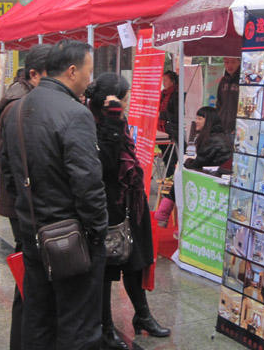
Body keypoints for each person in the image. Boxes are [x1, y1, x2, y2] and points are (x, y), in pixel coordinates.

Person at [0, 40, 108, 350]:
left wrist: (27, 212)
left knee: (38, 318)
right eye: (89, 70)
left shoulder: (17, 108)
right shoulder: (75, 113)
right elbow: (88, 182)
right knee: (79, 325)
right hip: (70, 237)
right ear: (72, 71)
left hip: (33, 230)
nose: (90, 78)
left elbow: (9, 174)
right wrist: (97, 231)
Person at [85, 73, 171, 350]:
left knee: (135, 260)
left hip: (131, 203)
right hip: (108, 206)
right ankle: (106, 327)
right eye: (125, 96)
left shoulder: (117, 122)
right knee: (107, 268)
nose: (128, 100)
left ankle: (142, 315)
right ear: (111, 101)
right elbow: (106, 164)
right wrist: (113, 121)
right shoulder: (90, 123)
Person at [0, 45, 49, 350]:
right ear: (34, 74)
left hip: (20, 204)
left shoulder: (20, 99)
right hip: (24, 207)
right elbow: (14, 165)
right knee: (29, 280)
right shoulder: (20, 106)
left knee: (29, 278)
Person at [155, 106, 233, 227]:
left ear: (209, 120)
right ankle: (166, 212)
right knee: (182, 174)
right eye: (196, 118)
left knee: (182, 175)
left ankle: (166, 211)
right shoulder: (217, 135)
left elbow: (200, 162)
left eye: (200, 118)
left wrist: (188, 162)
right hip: (216, 175)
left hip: (215, 178)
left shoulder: (212, 138)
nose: (196, 121)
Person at [158, 70, 179, 178]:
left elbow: (174, 114)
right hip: (161, 129)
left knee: (171, 158)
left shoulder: (176, 94)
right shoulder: (162, 94)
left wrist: (161, 115)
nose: (164, 82)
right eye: (163, 80)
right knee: (166, 157)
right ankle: (169, 177)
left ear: (172, 81)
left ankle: (171, 178)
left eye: (166, 80)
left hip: (171, 130)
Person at [216, 57, 241, 134]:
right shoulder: (223, 81)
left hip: (237, 126)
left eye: (233, 62)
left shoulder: (243, 81)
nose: (230, 65)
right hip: (222, 126)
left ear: (239, 62)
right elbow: (219, 103)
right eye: (226, 62)